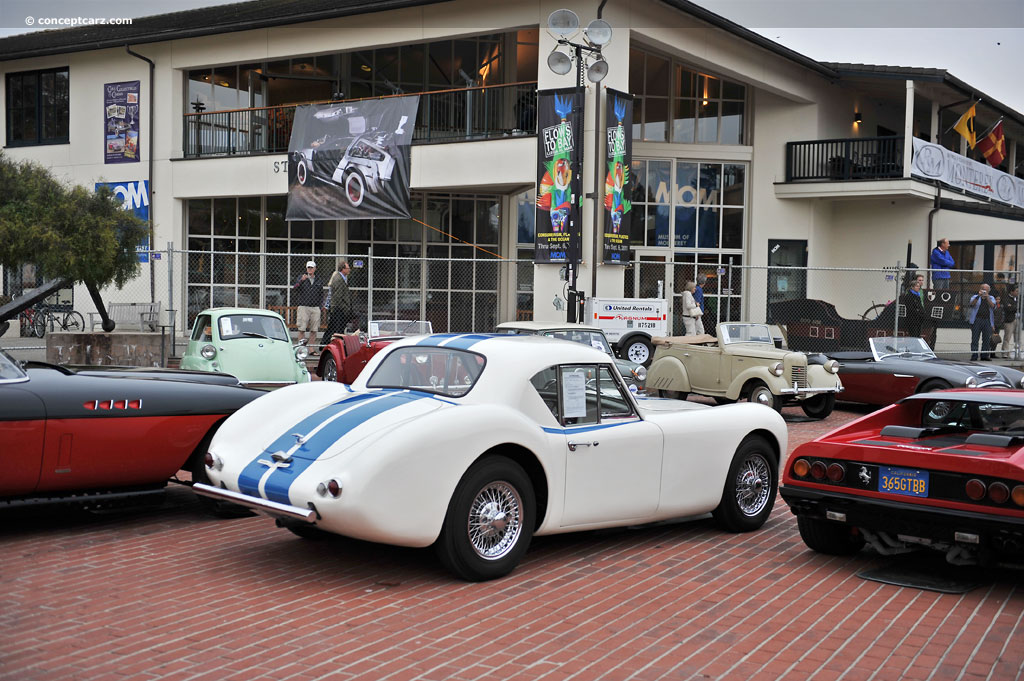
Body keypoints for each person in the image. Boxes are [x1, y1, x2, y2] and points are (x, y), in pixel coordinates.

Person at [321, 259, 354, 346]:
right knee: (337, 328)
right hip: (338, 309)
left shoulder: (342, 278)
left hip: (337, 308)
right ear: (343, 269)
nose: (349, 269)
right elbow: (338, 296)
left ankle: (324, 343)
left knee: (333, 327)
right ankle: (331, 344)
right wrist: (344, 308)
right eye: (348, 268)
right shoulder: (339, 279)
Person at [291, 260, 323, 348]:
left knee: (314, 330)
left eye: (311, 268)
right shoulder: (302, 278)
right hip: (304, 307)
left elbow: (321, 294)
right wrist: (301, 280)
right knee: (302, 329)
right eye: (308, 267)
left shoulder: (318, 280)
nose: (310, 269)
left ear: (315, 269)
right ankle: (301, 348)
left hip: (315, 307)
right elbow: (294, 289)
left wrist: (320, 307)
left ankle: (311, 349)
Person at [967, 283, 997, 361]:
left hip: (987, 320)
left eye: (986, 289)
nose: (984, 291)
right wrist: (978, 296)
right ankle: (974, 355)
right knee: (975, 338)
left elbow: (993, 306)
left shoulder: (991, 298)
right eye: (983, 289)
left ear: (988, 291)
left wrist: (987, 297)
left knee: (986, 339)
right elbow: (972, 304)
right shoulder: (975, 297)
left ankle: (984, 355)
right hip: (977, 320)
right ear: (980, 289)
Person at [901, 274, 926, 338]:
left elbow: (920, 305)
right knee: (913, 335)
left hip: (919, 319)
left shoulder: (918, 295)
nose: (918, 287)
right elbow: (910, 308)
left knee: (918, 335)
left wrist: (922, 313)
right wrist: (918, 311)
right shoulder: (909, 296)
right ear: (912, 287)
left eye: (918, 286)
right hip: (912, 319)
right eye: (916, 286)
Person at [1001, 284, 1019, 359]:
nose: (1018, 292)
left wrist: (1013, 306)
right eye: (1016, 291)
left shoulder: (1018, 299)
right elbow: (1008, 308)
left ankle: (1017, 352)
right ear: (1012, 291)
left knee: (1018, 337)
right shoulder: (1006, 298)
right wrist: (1015, 307)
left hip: (1018, 319)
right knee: (1007, 337)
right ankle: (1005, 353)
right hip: (1009, 320)